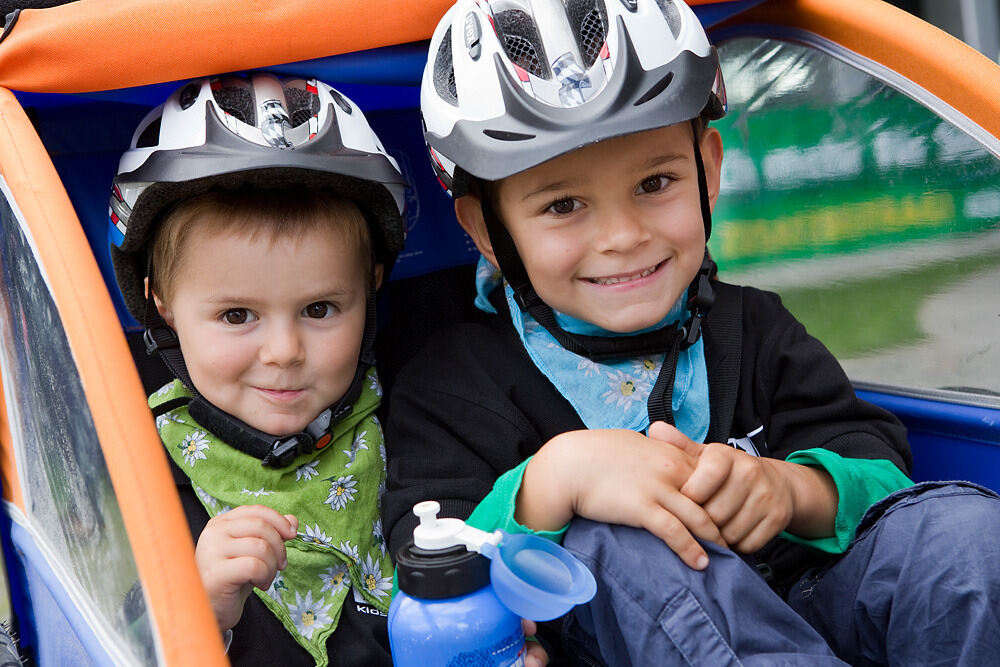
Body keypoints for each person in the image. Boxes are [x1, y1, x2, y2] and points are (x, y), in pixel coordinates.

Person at [382, 1, 1000, 664]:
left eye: (655, 182)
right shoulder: (453, 383)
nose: (623, 236)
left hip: (813, 605)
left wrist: (790, 491)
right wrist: (554, 480)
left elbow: (882, 474)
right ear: (484, 231)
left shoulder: (751, 328)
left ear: (708, 169)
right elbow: (425, 566)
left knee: (962, 537)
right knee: (622, 535)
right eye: (564, 205)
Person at [110, 73, 408, 666]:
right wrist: (199, 611)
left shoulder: (417, 415)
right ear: (162, 304)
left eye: (319, 309)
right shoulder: (130, 471)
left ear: (370, 291)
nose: (284, 352)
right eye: (237, 314)